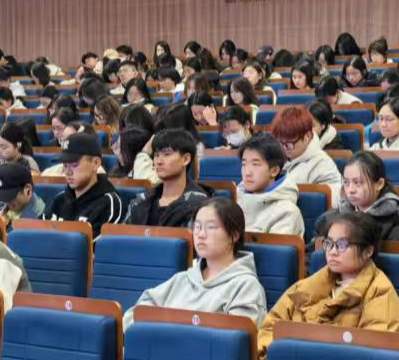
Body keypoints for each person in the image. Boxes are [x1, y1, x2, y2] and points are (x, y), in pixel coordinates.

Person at [259, 210, 399, 360]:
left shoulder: (380, 293)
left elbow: (373, 357)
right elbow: (270, 327)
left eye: (342, 245)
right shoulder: (307, 286)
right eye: (329, 243)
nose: (332, 252)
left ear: (368, 251)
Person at [122, 197, 266, 330]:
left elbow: (236, 341)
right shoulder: (183, 278)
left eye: (211, 227)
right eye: (197, 227)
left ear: (234, 235)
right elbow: (136, 313)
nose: (201, 234)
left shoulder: (246, 286)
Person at [314, 151, 399, 242]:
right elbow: (314, 254)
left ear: (379, 184)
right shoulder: (330, 218)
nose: (351, 190)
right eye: (346, 182)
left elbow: (396, 257)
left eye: (357, 183)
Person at [125, 129, 211, 228]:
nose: (159, 161)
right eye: (156, 155)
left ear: (186, 159)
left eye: (167, 154)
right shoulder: (141, 202)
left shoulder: (200, 206)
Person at [47, 132, 125, 236]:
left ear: (95, 163)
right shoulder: (59, 200)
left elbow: (94, 245)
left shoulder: (110, 204)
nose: (68, 172)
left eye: (74, 165)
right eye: (65, 166)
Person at [236, 134, 305, 236]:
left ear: (274, 171)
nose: (247, 172)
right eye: (244, 164)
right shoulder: (235, 202)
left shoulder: (287, 212)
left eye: (255, 164)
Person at [270, 105, 344, 193]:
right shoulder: (279, 157)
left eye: (289, 144)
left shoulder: (323, 166)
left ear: (307, 137)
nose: (284, 148)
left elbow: (330, 198)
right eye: (281, 142)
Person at [0, 161, 46, 226]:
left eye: (11, 197)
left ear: (28, 190)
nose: (6, 201)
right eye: (3, 197)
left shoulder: (39, 217)